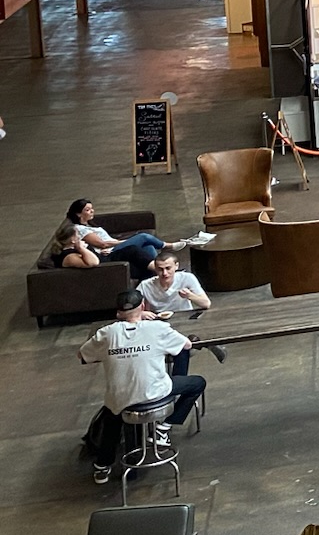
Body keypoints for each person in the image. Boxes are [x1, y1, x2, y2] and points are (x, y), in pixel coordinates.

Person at [79, 290, 205, 485]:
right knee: (197, 383)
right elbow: (186, 345)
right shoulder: (157, 329)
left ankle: (102, 466)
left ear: (118, 312)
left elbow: (83, 355)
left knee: (112, 414)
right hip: (156, 395)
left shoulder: (106, 333)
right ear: (143, 306)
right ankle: (165, 426)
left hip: (120, 399)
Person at [46, 200, 181, 274]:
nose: (92, 211)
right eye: (87, 210)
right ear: (72, 239)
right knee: (140, 241)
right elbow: (93, 262)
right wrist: (82, 249)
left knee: (147, 246)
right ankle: (163, 260)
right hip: (107, 262)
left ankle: (159, 270)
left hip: (105, 254)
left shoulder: (75, 244)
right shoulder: (69, 255)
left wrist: (89, 249)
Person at [140, 253, 218, 375]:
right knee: (180, 346)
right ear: (155, 269)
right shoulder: (146, 285)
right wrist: (142, 313)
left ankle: (178, 379)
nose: (164, 273)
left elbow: (206, 303)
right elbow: (131, 307)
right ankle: (204, 343)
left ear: (176, 266)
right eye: (160, 269)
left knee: (184, 342)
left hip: (184, 320)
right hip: (160, 324)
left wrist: (190, 296)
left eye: (168, 268)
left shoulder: (187, 278)